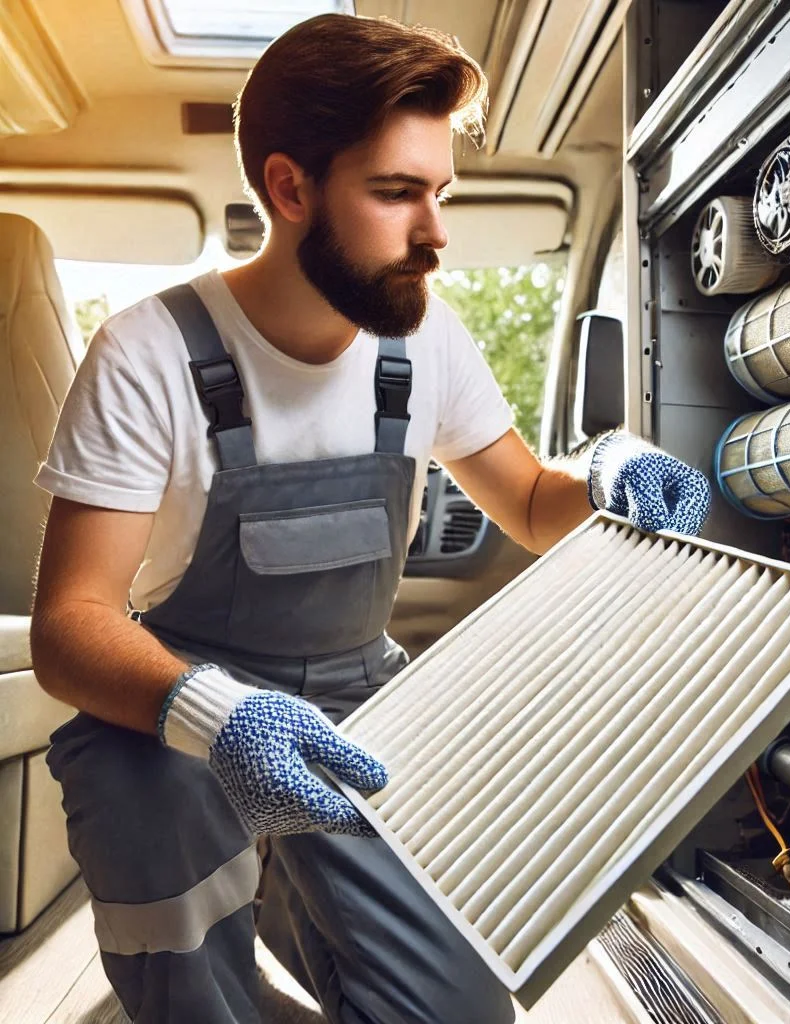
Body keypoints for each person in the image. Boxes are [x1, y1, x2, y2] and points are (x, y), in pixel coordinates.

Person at [30, 13, 710, 1024]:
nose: (434, 233)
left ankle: (289, 889)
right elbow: (70, 627)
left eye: (439, 193)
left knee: (459, 1013)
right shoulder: (148, 351)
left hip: (361, 703)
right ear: (290, 186)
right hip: (187, 707)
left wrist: (609, 470)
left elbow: (527, 501)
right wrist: (222, 718)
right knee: (143, 791)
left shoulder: (424, 335)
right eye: (396, 194)